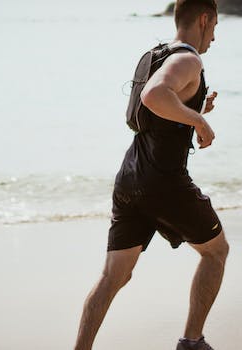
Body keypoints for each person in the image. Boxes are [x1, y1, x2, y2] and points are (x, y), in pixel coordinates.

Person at [73, 1, 228, 349]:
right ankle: (191, 341)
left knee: (113, 276)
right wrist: (200, 121)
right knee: (216, 253)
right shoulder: (189, 59)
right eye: (215, 26)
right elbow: (154, 94)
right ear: (204, 19)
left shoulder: (154, 54)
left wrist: (194, 107)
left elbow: (153, 115)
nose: (215, 37)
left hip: (129, 178)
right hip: (164, 182)